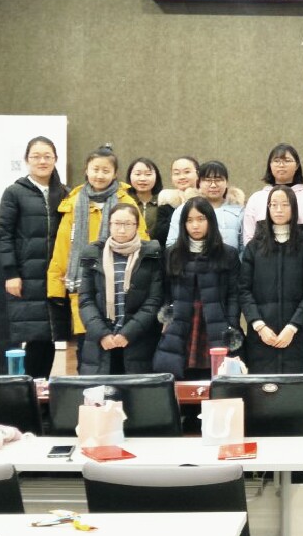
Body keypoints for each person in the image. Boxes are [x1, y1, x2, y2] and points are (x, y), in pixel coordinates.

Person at [48, 146, 147, 354]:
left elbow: (142, 242)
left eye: (106, 170)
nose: (100, 175)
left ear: (115, 174)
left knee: (119, 347)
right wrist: (56, 286)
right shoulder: (73, 203)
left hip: (120, 285)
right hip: (84, 282)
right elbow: (63, 246)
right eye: (95, 169)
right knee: (88, 349)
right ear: (86, 170)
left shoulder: (126, 202)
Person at [0, 136, 69, 378]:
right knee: (32, 335)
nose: (42, 161)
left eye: (47, 156)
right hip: (26, 276)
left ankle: (42, 388)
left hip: (55, 277)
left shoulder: (64, 193)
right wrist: (11, 273)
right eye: (36, 156)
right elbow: (4, 235)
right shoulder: (14, 192)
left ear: (55, 159)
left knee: (50, 335)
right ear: (26, 160)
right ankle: (25, 389)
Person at [154, 197, 242, 380]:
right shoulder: (172, 253)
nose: (195, 225)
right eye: (189, 220)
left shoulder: (228, 254)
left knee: (218, 379)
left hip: (216, 323)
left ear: (211, 221)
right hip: (181, 323)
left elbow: (234, 295)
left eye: (201, 219)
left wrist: (231, 325)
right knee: (180, 378)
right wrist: (167, 318)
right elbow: (166, 291)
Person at [239, 186, 303, 374]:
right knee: (262, 388)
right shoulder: (254, 246)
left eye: (285, 205)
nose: (279, 210)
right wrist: (259, 325)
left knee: (295, 388)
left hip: (296, 335)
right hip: (261, 335)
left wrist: (292, 327)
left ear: (294, 208)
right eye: (273, 205)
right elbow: (243, 290)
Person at [77, 204, 163, 375]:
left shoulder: (151, 255)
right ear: (109, 225)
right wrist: (102, 333)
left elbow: (154, 301)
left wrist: (128, 333)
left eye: (128, 224)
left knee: (136, 390)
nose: (122, 230)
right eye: (117, 223)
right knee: (100, 390)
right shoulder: (93, 254)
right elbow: (86, 299)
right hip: (101, 341)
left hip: (138, 341)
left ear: (137, 226)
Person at [243, 143, 303, 245]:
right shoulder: (256, 198)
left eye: (287, 161)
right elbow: (249, 237)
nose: (281, 165)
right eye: (276, 161)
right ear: (270, 165)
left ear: (297, 165)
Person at [166, 161, 245, 252]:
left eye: (218, 180)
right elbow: (172, 244)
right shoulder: (184, 209)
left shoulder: (238, 211)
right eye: (207, 180)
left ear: (226, 182)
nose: (213, 185)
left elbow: (243, 248)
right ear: (198, 183)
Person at [154, 156, 199, 249]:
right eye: (176, 173)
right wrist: (183, 204)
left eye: (187, 172)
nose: (182, 177)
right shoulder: (166, 201)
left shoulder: (206, 199)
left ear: (198, 174)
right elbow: (160, 236)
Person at [125, 158, 164, 240]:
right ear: (129, 176)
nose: (142, 179)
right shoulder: (124, 201)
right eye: (137, 174)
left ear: (157, 177)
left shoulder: (164, 202)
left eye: (148, 174)